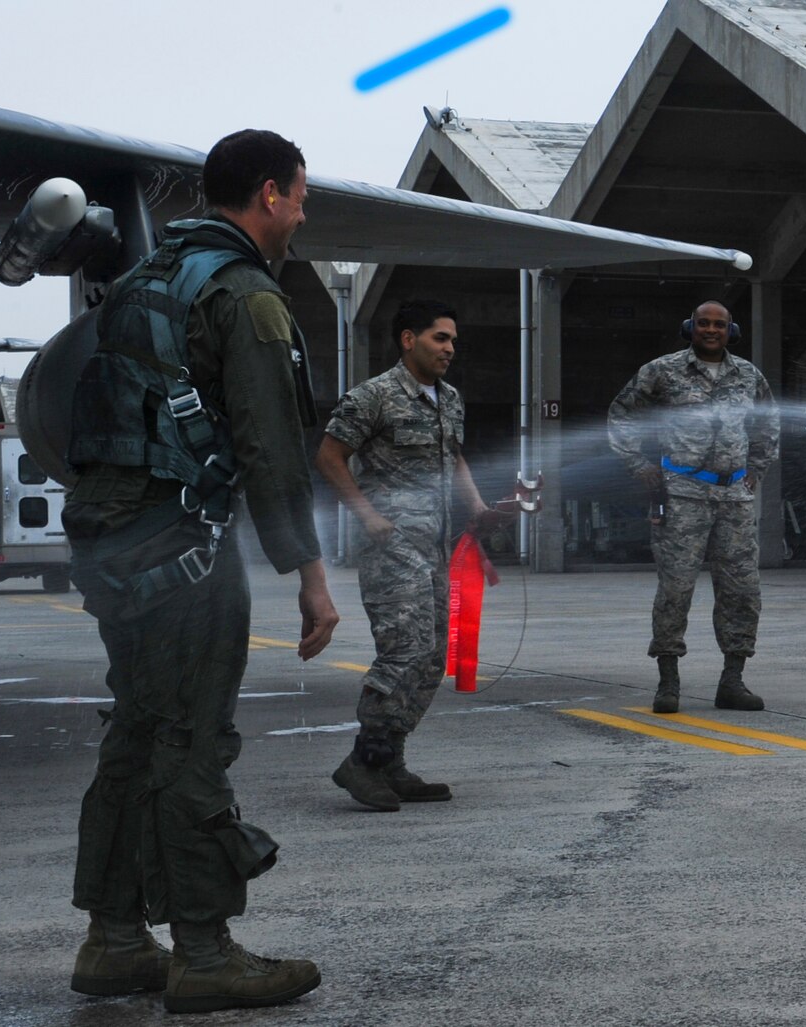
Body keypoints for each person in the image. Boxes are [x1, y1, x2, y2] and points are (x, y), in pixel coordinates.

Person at [62, 129, 336, 1012]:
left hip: (110, 539)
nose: (301, 212)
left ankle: (112, 940)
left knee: (138, 730)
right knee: (191, 739)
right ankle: (206, 950)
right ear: (267, 194)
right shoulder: (244, 296)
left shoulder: (143, 281)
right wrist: (309, 572)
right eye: (299, 196)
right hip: (180, 543)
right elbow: (271, 448)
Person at [316, 300, 494, 811]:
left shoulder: (450, 399)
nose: (450, 349)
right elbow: (329, 456)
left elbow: (454, 456)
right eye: (441, 338)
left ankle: (389, 759)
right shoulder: (373, 396)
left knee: (434, 655)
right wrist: (367, 515)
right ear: (408, 339)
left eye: (453, 340)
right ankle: (364, 762)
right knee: (404, 651)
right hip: (391, 548)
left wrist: (479, 509)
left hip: (436, 546)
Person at [608, 301, 780, 713]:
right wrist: (639, 465)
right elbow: (621, 414)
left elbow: (767, 424)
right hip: (682, 495)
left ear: (730, 331)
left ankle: (733, 680)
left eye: (719, 325)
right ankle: (668, 682)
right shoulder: (662, 371)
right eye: (703, 323)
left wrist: (757, 467)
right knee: (675, 590)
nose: (710, 330)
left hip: (734, 498)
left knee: (742, 591)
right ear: (690, 327)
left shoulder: (748, 376)